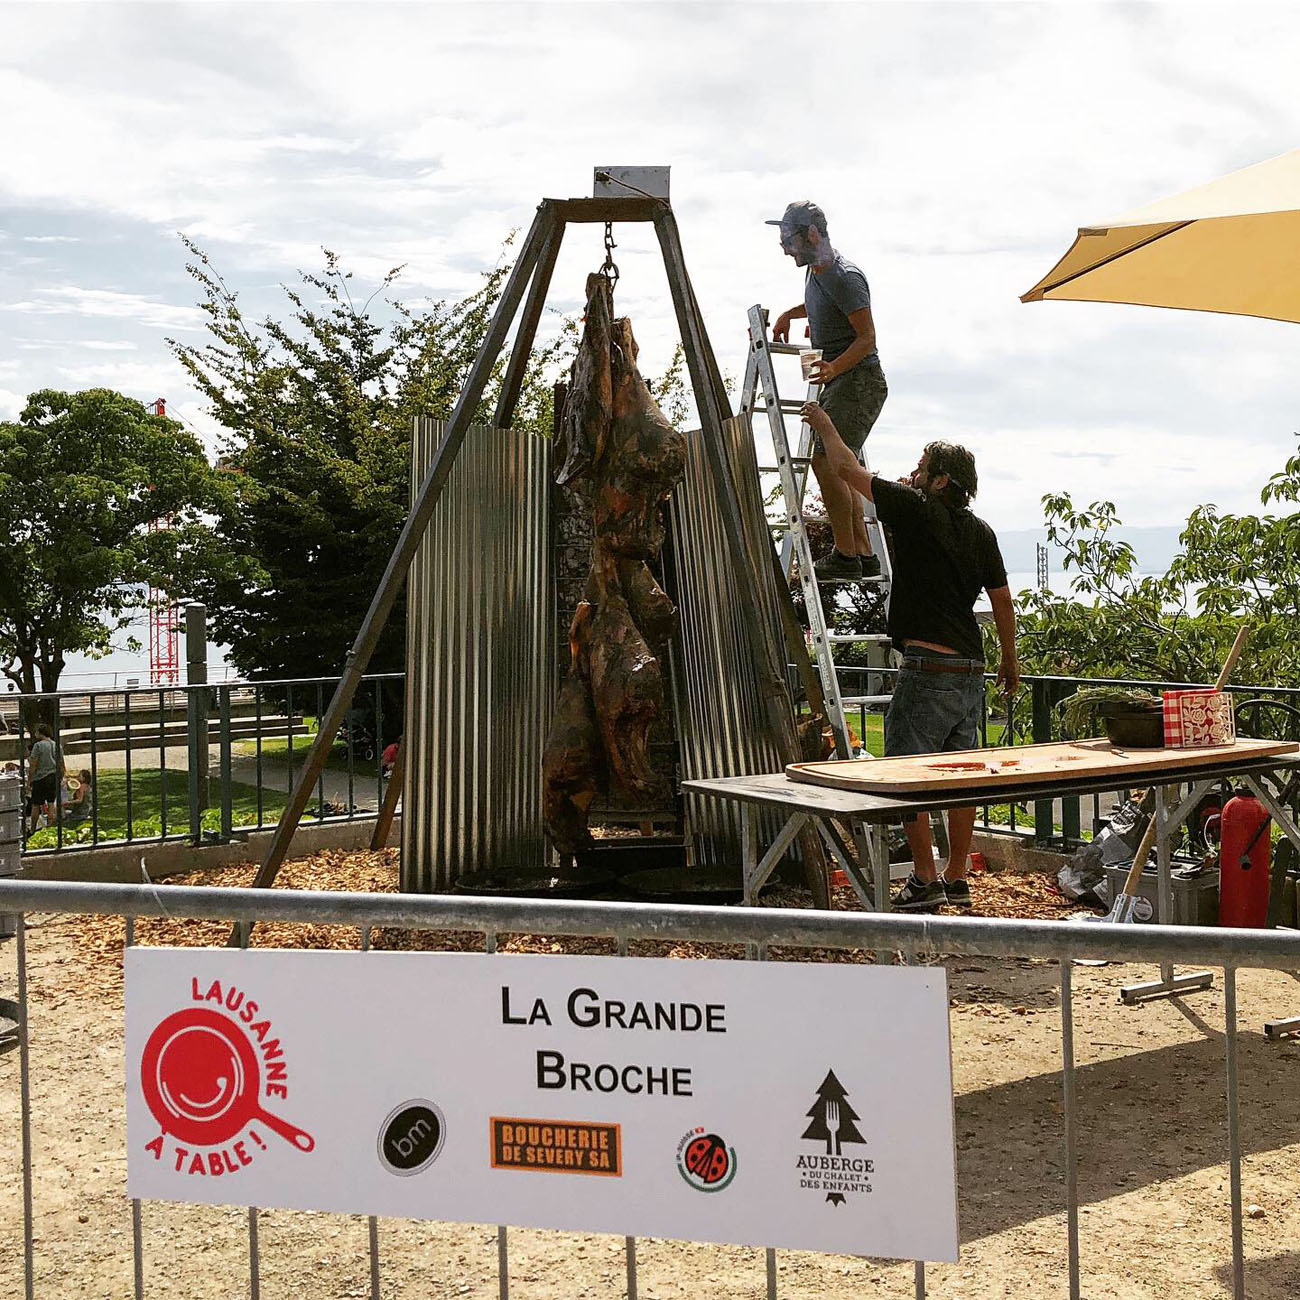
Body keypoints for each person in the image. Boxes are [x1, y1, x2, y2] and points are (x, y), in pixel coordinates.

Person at [803, 402, 1019, 912]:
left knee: (906, 775)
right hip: (970, 668)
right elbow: (1002, 599)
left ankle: (924, 878)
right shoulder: (981, 531)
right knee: (961, 776)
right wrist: (1009, 660)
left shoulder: (915, 506)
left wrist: (826, 422)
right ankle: (957, 875)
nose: (914, 472)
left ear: (940, 480)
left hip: (927, 667)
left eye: (922, 467)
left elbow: (845, 469)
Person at [767, 200, 888, 581]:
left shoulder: (846, 277)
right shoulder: (817, 271)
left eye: (789, 240)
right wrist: (789, 314)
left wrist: (834, 366)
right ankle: (862, 554)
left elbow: (867, 339)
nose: (785, 249)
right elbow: (821, 302)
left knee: (827, 460)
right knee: (841, 464)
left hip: (859, 381)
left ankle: (847, 554)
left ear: (812, 234)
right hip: (843, 381)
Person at [26, 722, 64, 833]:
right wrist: (61, 776)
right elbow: (61, 763)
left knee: (36, 804)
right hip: (53, 776)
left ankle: (33, 828)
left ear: (40, 733)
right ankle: (50, 827)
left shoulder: (38, 746)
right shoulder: (56, 745)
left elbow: (34, 764)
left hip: (40, 778)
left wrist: (30, 780)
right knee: (51, 803)